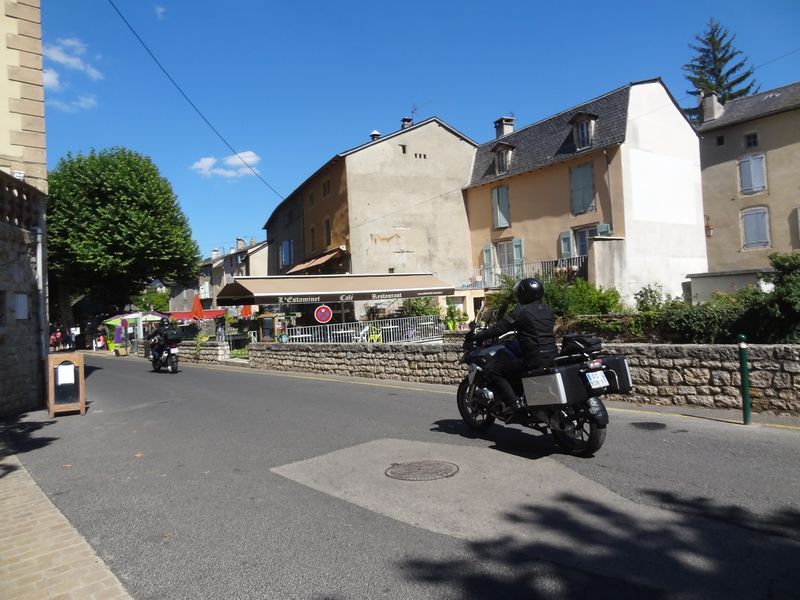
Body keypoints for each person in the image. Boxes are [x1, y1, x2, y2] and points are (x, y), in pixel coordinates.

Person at [472, 277, 557, 417]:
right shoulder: (547, 310)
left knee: (493, 371)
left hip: (534, 359)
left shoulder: (521, 311)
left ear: (524, 293)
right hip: (552, 355)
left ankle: (514, 404)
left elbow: (500, 328)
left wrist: (478, 336)